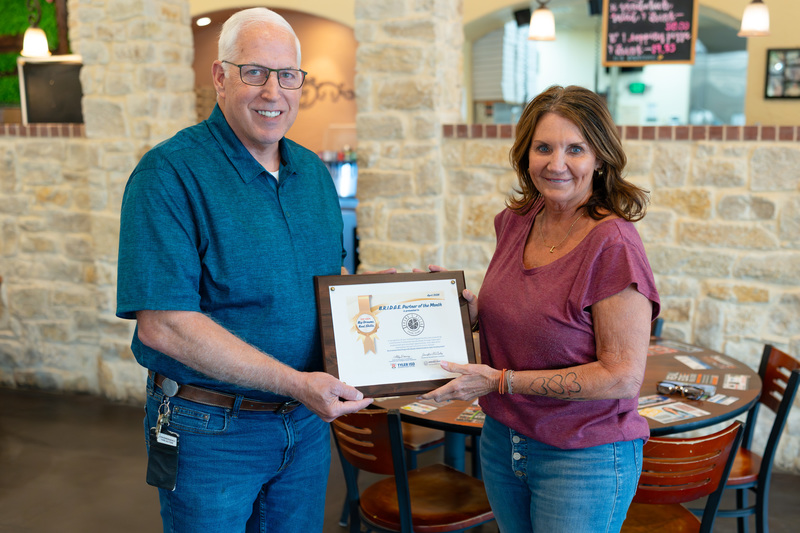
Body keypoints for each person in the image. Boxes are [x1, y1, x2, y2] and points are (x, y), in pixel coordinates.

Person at [115, 8, 372, 532]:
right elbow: (163, 324)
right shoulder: (168, 175)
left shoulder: (314, 176)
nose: (272, 92)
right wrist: (296, 383)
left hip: (304, 430)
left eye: (287, 76)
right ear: (220, 77)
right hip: (209, 432)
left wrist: (401, 303)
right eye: (254, 72)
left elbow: (325, 291)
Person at [420, 85, 660, 532]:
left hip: (581, 456)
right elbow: (525, 314)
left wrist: (502, 381)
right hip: (503, 441)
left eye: (575, 149)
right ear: (525, 155)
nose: (556, 163)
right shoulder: (516, 221)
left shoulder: (614, 244)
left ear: (600, 158)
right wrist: (461, 312)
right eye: (543, 147)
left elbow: (622, 375)